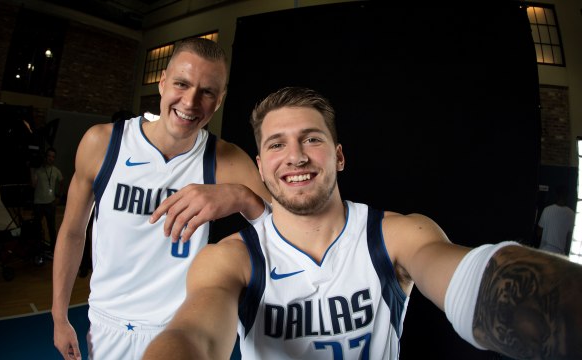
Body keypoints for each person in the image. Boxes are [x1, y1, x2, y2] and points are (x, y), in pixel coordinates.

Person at [143, 87, 582, 360]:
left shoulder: (395, 235)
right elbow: (193, 337)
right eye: (277, 144)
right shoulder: (231, 259)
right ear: (260, 166)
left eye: (311, 139)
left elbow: (473, 281)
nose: (295, 156)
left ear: (338, 155)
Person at [52, 37, 271, 360]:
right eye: (182, 84)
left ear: (220, 100)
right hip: (107, 323)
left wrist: (240, 197)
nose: (191, 102)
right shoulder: (103, 144)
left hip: (183, 326)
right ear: (163, 82)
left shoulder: (226, 160)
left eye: (207, 92)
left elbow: (287, 232)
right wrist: (59, 315)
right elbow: (72, 231)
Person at [31, 147, 64, 258]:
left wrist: (58, 196)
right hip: (38, 203)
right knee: (37, 228)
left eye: (53, 157)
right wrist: (31, 170)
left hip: (50, 203)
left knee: (51, 228)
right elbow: (33, 185)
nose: (51, 158)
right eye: (49, 156)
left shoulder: (56, 171)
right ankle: (38, 250)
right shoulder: (38, 170)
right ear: (45, 157)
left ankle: (53, 250)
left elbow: (62, 182)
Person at [537, 184, 575, 256]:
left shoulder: (547, 210)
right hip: (559, 255)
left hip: (544, 251)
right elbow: (569, 238)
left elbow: (539, 232)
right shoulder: (571, 214)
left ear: (556, 195)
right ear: (567, 196)